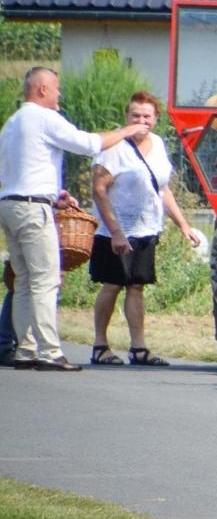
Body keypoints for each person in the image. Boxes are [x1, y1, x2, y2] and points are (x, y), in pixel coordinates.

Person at [0, 67, 149, 371]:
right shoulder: (43, 118)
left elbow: (14, 169)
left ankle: (26, 349)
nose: (59, 95)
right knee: (46, 278)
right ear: (41, 89)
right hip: (33, 207)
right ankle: (49, 351)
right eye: (56, 89)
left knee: (25, 280)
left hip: (10, 203)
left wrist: (53, 194)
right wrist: (125, 131)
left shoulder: (13, 123)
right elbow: (88, 144)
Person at [87, 91, 205, 367]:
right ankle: (100, 345)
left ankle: (138, 347)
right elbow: (99, 189)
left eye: (147, 116)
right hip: (115, 229)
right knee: (113, 284)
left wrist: (183, 225)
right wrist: (116, 231)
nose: (141, 120)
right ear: (127, 117)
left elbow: (161, 189)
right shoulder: (114, 147)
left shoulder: (159, 144)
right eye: (136, 115)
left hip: (146, 228)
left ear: (155, 119)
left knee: (137, 286)